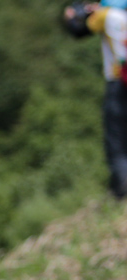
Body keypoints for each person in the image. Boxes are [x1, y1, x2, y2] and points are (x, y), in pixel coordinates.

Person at [64, 0, 127, 197]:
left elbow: (78, 31)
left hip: (118, 81)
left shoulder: (106, 15)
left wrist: (71, 16)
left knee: (116, 140)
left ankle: (122, 192)